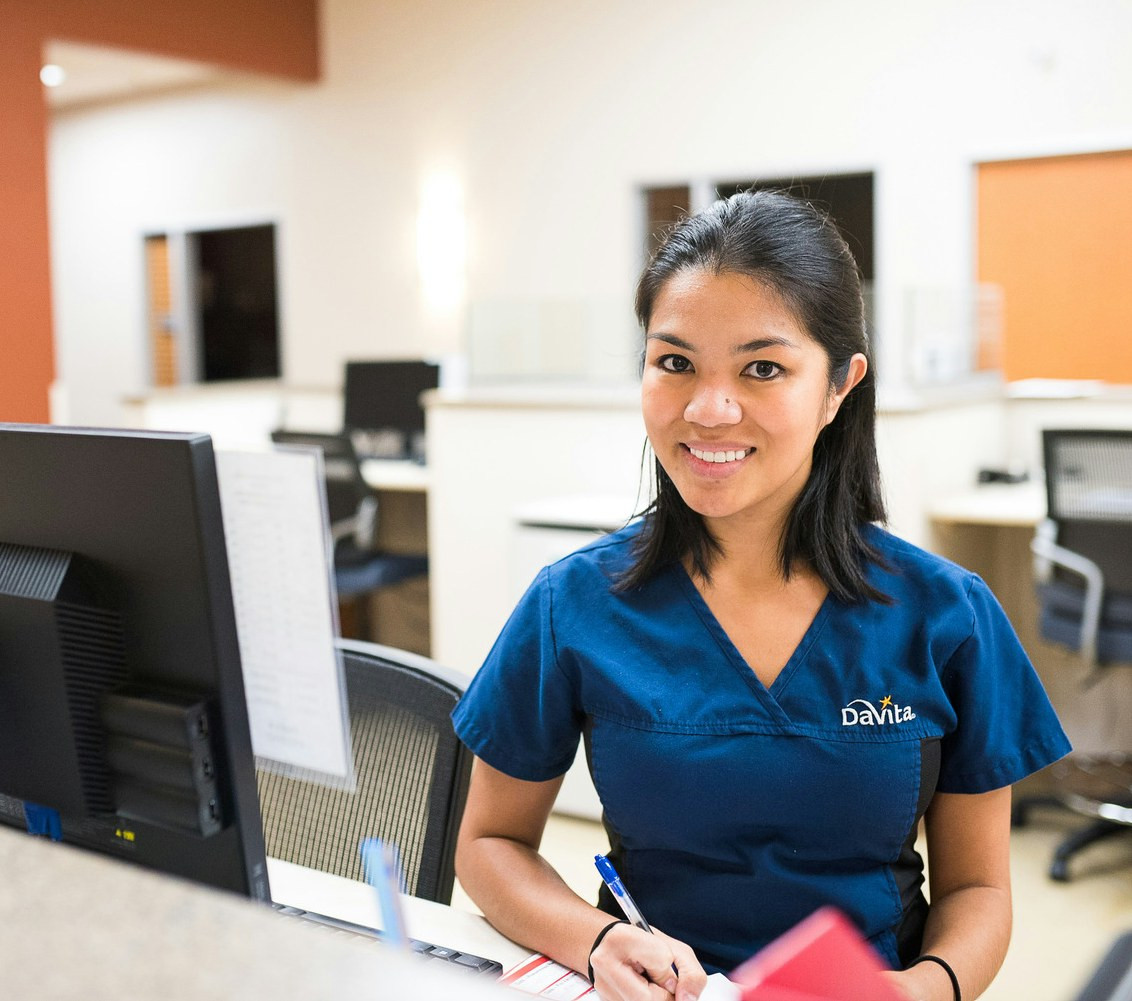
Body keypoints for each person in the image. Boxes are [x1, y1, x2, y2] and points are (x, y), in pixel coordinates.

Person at [450, 190, 1071, 1001]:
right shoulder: (574, 602)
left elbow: (980, 891)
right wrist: (597, 941)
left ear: (840, 386)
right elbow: (490, 842)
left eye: (763, 368)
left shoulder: (945, 615)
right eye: (674, 362)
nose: (709, 410)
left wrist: (923, 988)